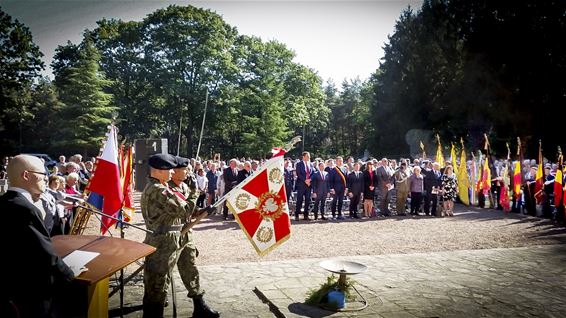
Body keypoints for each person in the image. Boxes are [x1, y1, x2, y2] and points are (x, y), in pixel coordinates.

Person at [141, 154, 218, 318]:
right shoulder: (158, 190)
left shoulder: (160, 187)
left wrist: (202, 210)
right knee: (157, 284)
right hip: (163, 241)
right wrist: (195, 193)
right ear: (159, 170)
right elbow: (183, 210)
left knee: (187, 269)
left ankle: (199, 305)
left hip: (175, 236)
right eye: (169, 169)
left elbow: (184, 212)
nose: (171, 172)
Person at [0, 154, 75, 317]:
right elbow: (45, 255)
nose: (46, 179)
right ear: (26, 175)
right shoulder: (23, 207)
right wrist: (71, 275)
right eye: (43, 175)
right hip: (29, 293)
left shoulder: (6, 201)